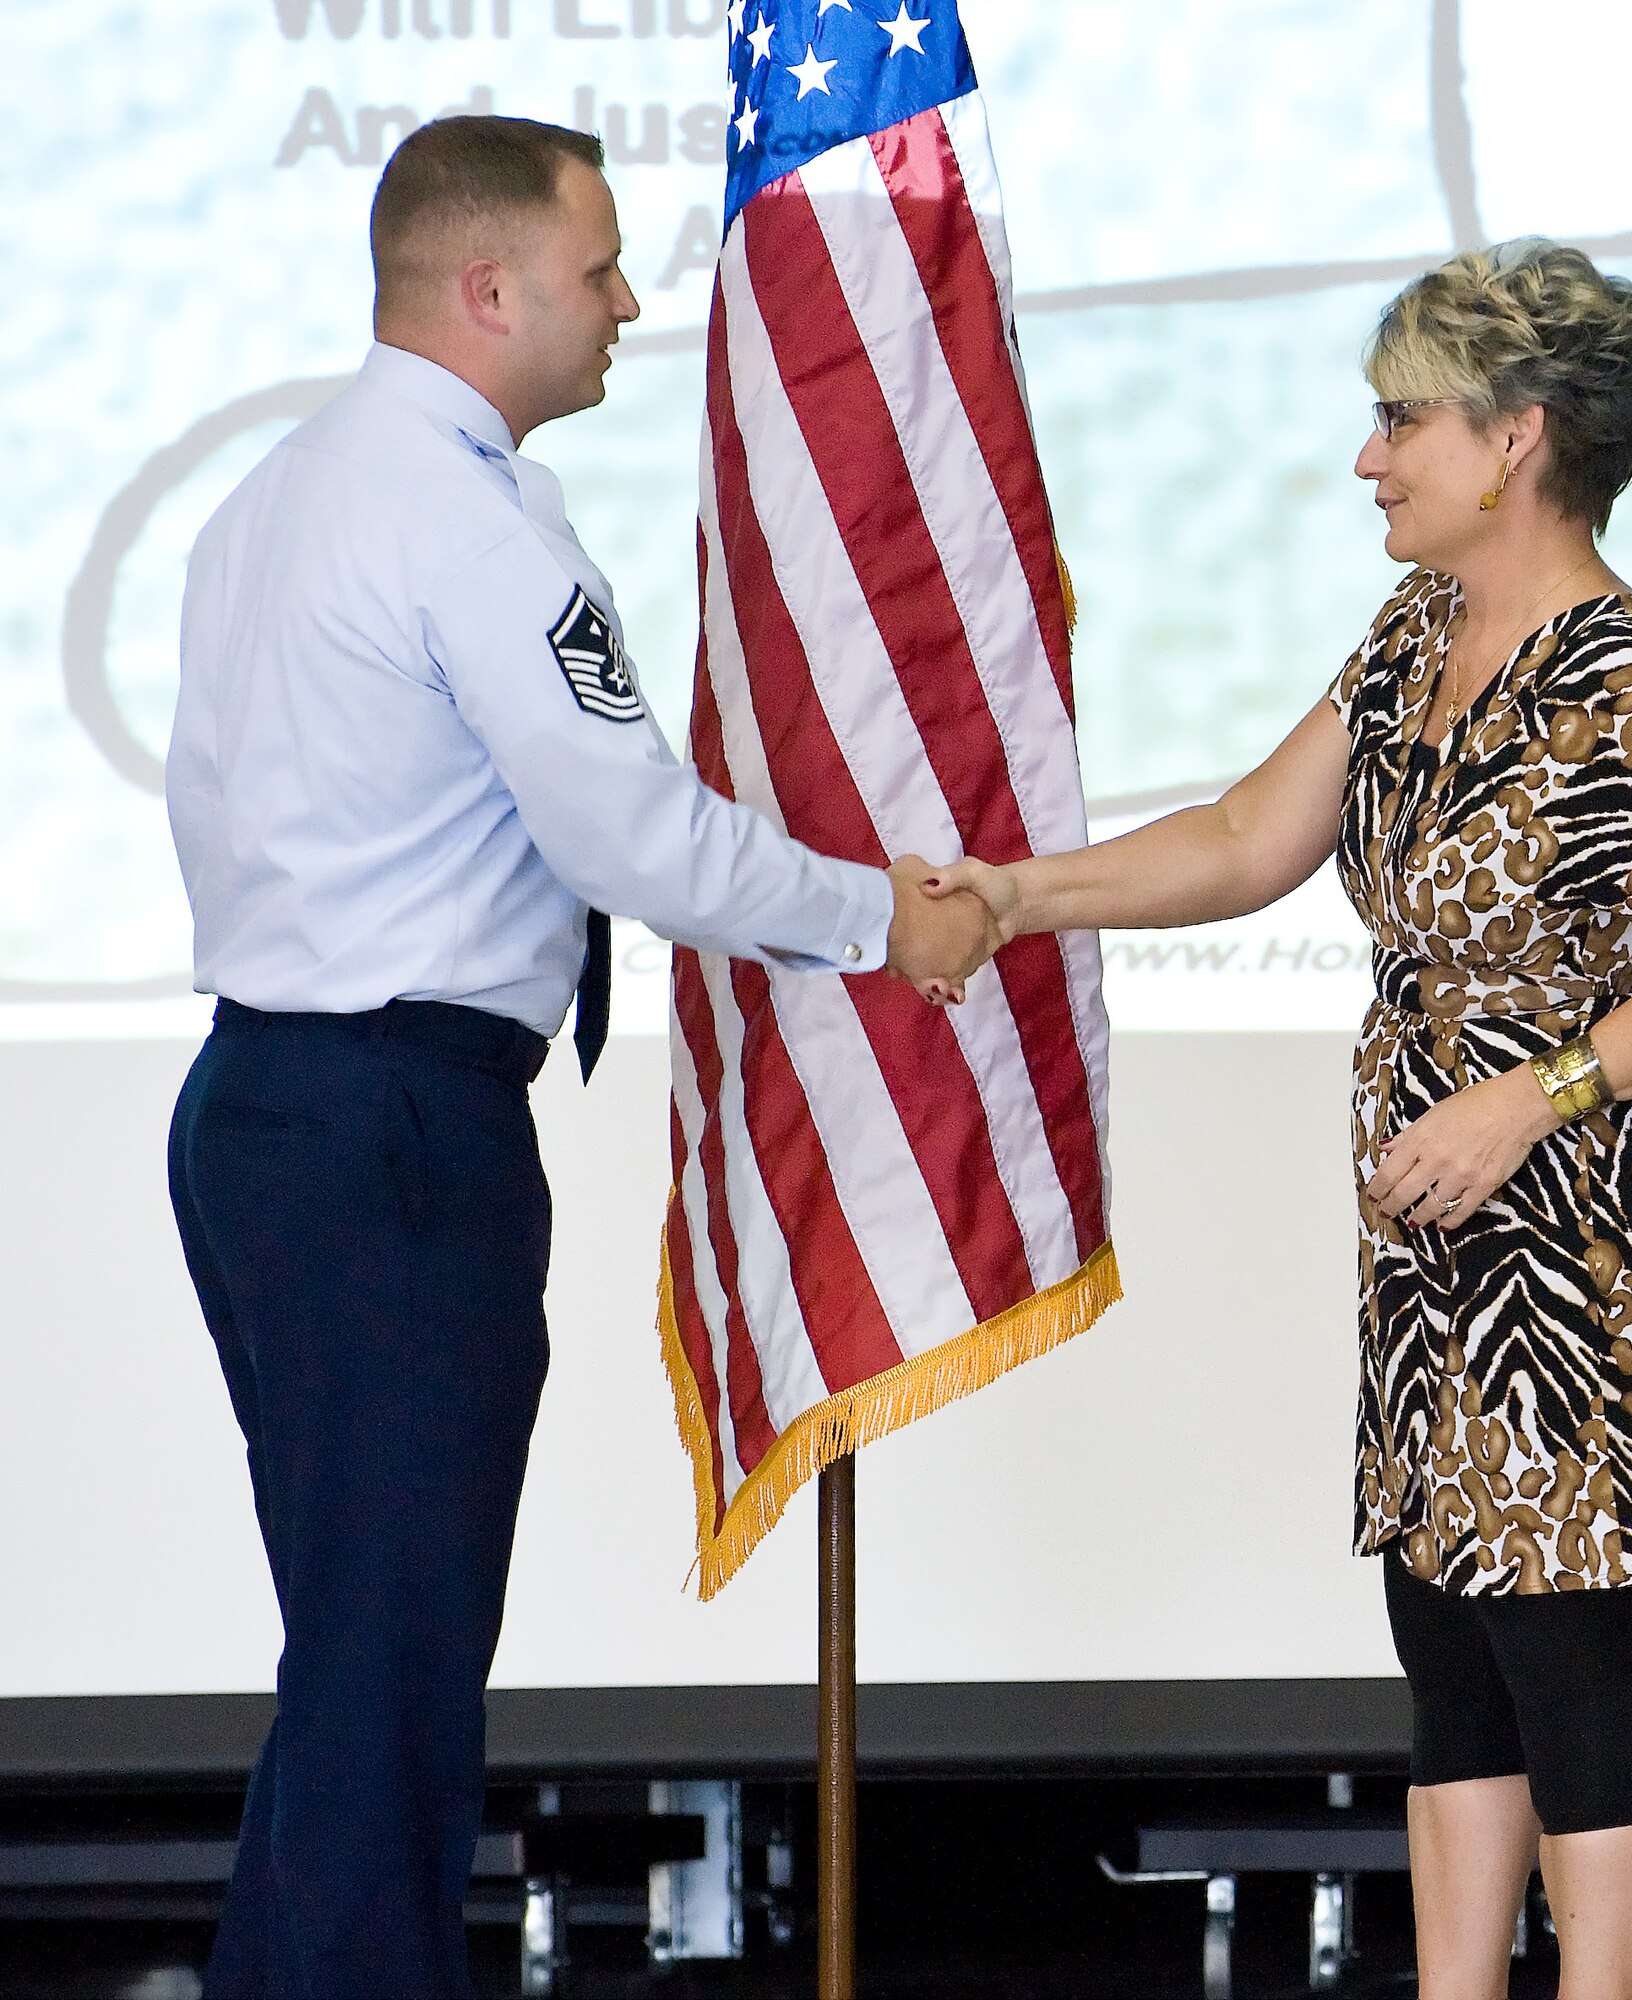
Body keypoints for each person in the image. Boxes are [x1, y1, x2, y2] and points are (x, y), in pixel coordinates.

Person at [922, 240, 1632, 2000]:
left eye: (1403, 419)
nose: (1370, 458)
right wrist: (1016, 895)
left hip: (1573, 1225)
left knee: (1562, 1635)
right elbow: (1252, 837)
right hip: (1432, 1208)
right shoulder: (1419, 635)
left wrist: (1536, 1098)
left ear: (1519, 439)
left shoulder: (1623, 675)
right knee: (1449, 1632)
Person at [165, 115, 994, 2000]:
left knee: (360, 1660)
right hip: (395, 1130)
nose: (630, 303)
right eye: (601, 267)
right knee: (390, 1669)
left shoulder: (272, 496)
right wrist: (894, 918)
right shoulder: (460, 524)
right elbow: (632, 837)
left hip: (271, 1103)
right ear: (489, 289)